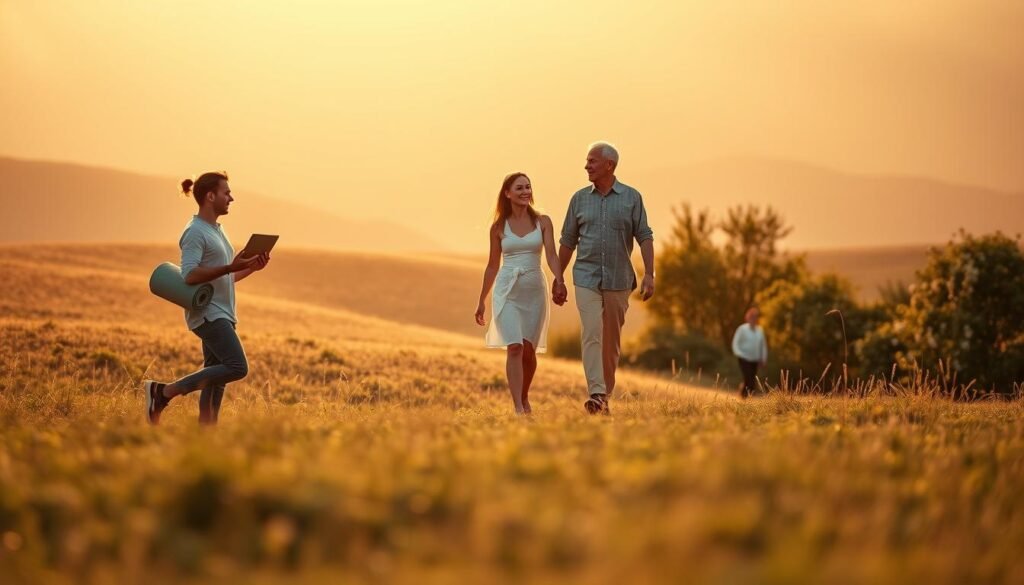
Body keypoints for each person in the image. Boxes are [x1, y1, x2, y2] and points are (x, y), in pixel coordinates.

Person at [142, 172, 270, 425]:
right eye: (226, 192)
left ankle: (206, 433)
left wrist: (250, 268)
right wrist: (230, 267)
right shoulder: (195, 232)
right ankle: (163, 392)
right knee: (237, 367)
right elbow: (189, 275)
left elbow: (224, 278)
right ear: (210, 196)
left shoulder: (215, 230)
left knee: (216, 380)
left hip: (223, 310)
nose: (231, 198)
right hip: (209, 313)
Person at [554, 142, 654, 415]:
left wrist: (649, 274)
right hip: (585, 276)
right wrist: (558, 277)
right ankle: (596, 393)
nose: (587, 166)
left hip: (619, 279)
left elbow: (644, 236)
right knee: (591, 333)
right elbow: (567, 240)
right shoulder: (579, 199)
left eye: (592, 161)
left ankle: (604, 398)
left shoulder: (632, 198)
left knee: (610, 343)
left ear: (609, 165)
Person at [475, 172, 563, 414]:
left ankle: (524, 397)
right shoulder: (498, 227)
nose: (526, 191)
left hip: (535, 292)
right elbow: (493, 265)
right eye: (520, 188)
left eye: (528, 187)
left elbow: (552, 255)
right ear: (507, 193)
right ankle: (517, 408)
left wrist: (560, 278)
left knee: (529, 351)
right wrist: (482, 300)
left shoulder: (543, 221)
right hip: (507, 291)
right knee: (515, 347)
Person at [732, 307, 768, 398]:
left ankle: (746, 397)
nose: (754, 319)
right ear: (748, 318)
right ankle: (744, 397)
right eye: (752, 317)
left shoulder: (760, 331)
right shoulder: (742, 329)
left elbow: (763, 346)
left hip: (755, 360)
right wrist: (739, 354)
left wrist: (763, 358)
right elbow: (735, 343)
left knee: (752, 380)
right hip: (744, 358)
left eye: (756, 317)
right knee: (748, 378)